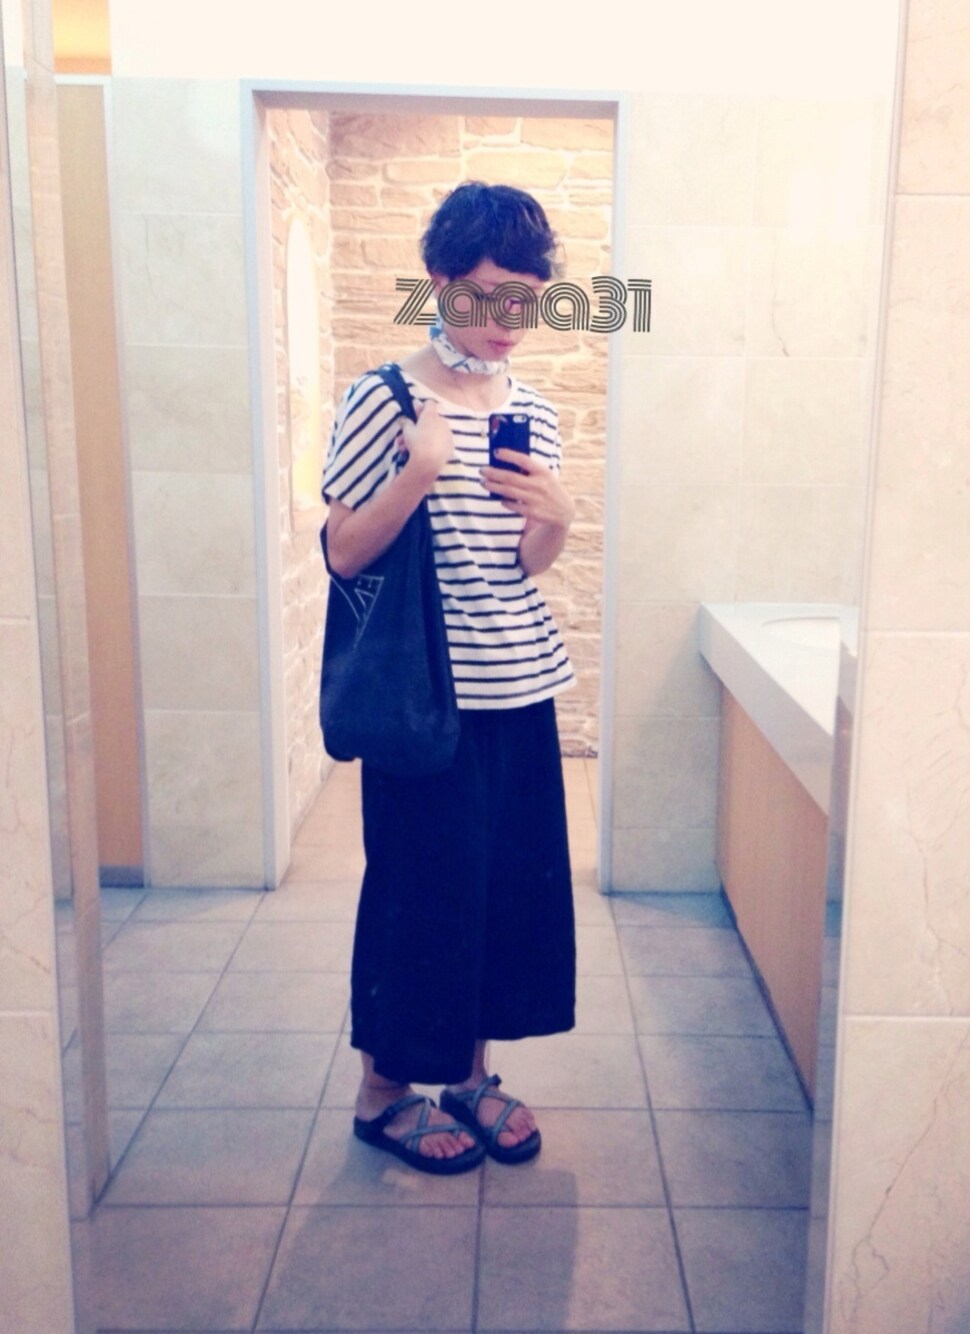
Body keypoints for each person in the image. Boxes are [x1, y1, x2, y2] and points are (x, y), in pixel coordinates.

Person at [321, 182, 577, 1174]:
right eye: (486, 295)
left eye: (526, 300)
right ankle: (383, 1094)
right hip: (424, 703)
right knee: (418, 895)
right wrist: (419, 469)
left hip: (521, 691)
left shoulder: (533, 410)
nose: (506, 320)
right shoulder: (383, 398)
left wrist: (555, 516)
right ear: (440, 283)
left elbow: (525, 562)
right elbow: (344, 550)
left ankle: (469, 1075)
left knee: (501, 895)